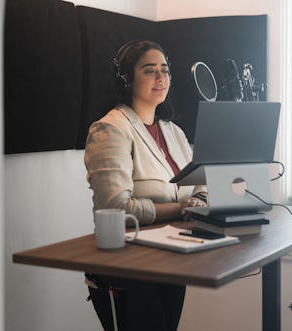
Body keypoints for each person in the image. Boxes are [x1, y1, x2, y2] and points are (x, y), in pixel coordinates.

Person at [83, 40, 208, 331]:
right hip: (129, 265)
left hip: (172, 259)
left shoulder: (173, 131)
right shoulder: (111, 128)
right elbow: (116, 208)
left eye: (164, 70)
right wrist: (181, 207)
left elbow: (201, 184)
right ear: (127, 79)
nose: (160, 77)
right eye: (149, 71)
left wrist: (199, 201)